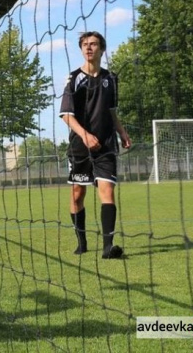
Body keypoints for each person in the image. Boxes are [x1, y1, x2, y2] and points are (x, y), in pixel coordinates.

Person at [59, 31, 131, 259]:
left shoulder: (111, 78)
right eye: (85, 45)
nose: (89, 48)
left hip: (106, 146)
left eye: (94, 44)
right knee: (78, 195)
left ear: (102, 49)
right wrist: (85, 135)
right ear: (81, 49)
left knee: (107, 190)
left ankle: (108, 247)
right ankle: (82, 241)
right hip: (80, 148)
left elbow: (111, 111)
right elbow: (65, 115)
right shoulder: (74, 79)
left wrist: (121, 132)